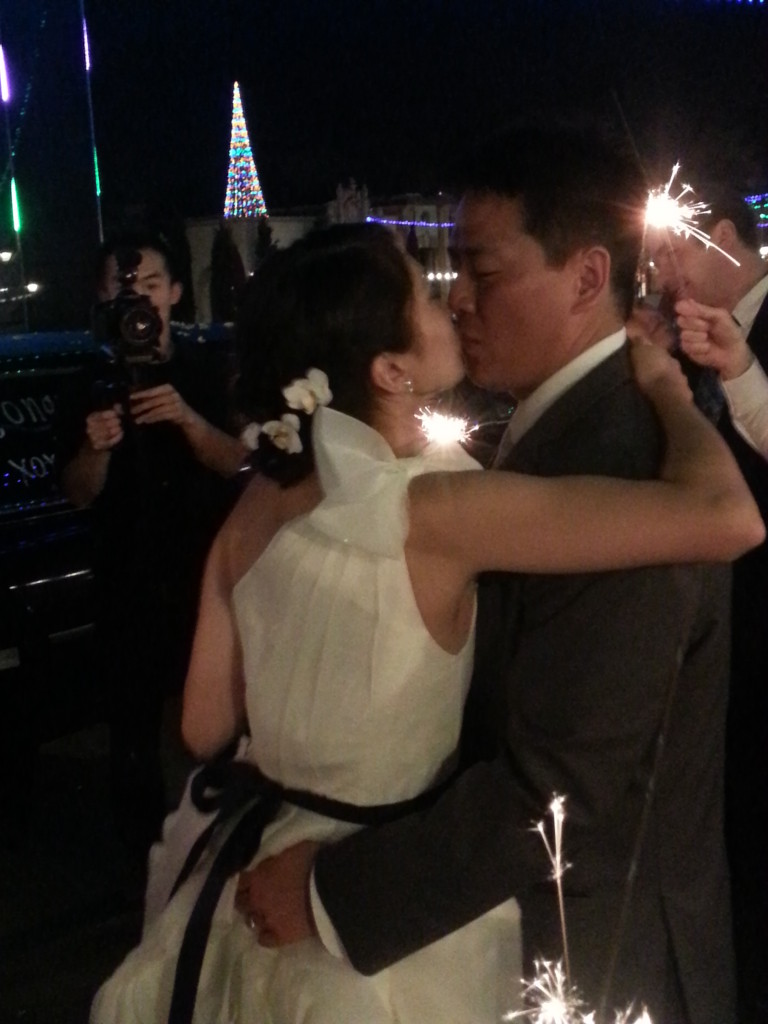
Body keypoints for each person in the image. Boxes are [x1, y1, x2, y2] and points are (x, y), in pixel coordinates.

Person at [89, 219, 762, 1024]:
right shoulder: (436, 507)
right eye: (426, 297)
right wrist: (665, 392)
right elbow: (727, 519)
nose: (455, 304)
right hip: (379, 905)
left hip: (257, 866)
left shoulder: (256, 504)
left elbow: (202, 726)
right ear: (390, 368)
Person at [57, 229, 247, 857]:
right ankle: (140, 867)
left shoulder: (208, 369)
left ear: (174, 294)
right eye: (121, 285)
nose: (136, 298)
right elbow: (79, 491)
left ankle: (223, 847)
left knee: (219, 723)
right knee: (133, 734)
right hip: (126, 581)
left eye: (149, 284)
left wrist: (188, 419)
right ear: (102, 296)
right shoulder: (87, 381)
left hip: (204, 579)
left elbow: (236, 465)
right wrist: (96, 446)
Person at [650, 187, 768, 1023]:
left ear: (724, 233)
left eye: (674, 252)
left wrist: (745, 374)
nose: (662, 274)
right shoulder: (686, 337)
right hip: (725, 642)